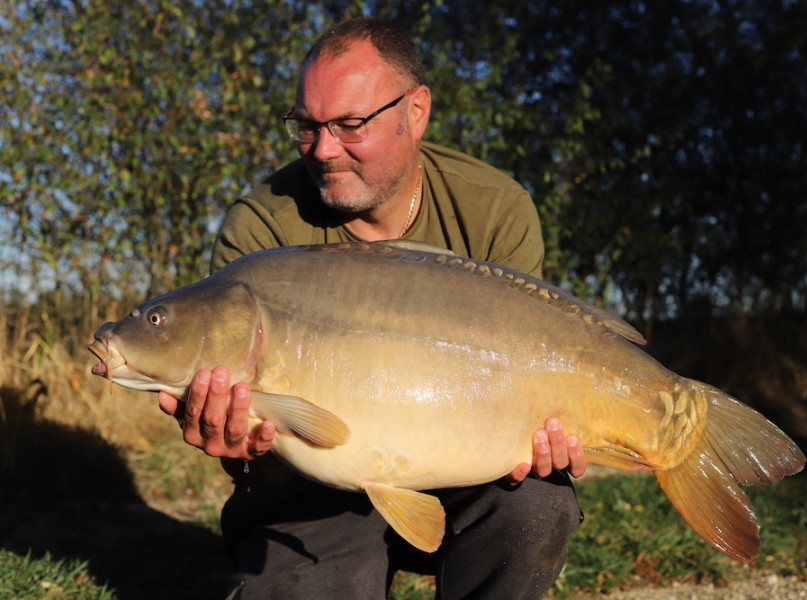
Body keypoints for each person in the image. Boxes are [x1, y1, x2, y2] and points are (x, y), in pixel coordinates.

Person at [158, 17, 587, 600]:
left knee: (537, 504)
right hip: (311, 491)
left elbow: (533, 374)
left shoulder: (493, 210)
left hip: (466, 476)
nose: (324, 149)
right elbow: (260, 462)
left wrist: (547, 435)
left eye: (350, 124)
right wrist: (243, 451)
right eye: (306, 126)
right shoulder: (261, 228)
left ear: (415, 111)